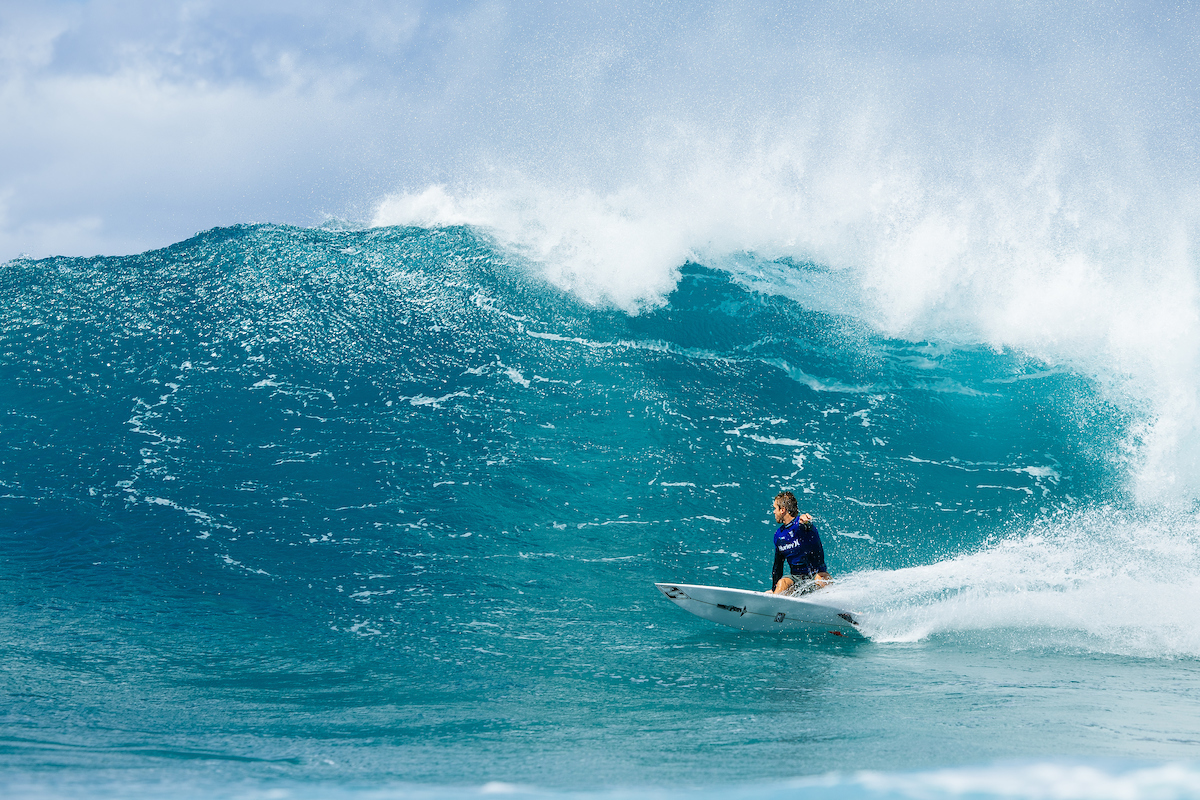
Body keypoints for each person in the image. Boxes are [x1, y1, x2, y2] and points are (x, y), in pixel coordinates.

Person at [769, 491, 831, 594]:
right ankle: (773, 606)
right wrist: (773, 590)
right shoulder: (778, 535)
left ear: (782, 510)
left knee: (821, 579)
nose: (774, 512)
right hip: (797, 579)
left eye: (775, 508)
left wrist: (806, 521)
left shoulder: (802, 525)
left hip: (816, 575)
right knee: (782, 583)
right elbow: (777, 566)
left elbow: (807, 525)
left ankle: (844, 608)